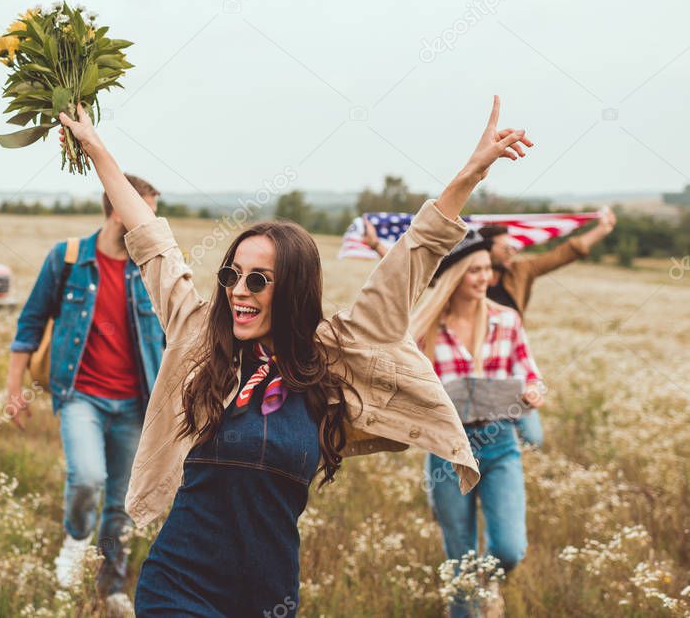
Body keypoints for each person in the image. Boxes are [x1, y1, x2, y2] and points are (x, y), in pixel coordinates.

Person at [58, 95, 531, 616]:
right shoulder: (199, 339)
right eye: (231, 275)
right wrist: (96, 147)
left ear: (293, 290)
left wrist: (471, 172)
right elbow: (150, 239)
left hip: (269, 595)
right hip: (178, 584)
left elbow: (414, 255)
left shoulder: (331, 356)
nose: (239, 290)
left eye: (258, 279)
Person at [4, 174, 166, 615]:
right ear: (118, 208)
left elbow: (176, 334)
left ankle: (111, 586)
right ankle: (75, 544)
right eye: (145, 212)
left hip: (136, 404)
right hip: (81, 397)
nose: (153, 225)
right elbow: (30, 324)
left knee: (123, 502)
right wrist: (14, 389)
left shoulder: (153, 268)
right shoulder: (68, 259)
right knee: (88, 479)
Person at [411, 232, 545, 618]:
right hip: (448, 450)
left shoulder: (507, 320)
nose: (484, 276)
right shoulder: (426, 329)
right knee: (459, 556)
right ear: (454, 275)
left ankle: (488, 582)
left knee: (509, 548)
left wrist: (533, 392)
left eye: (487, 268)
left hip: (500, 441)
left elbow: (531, 374)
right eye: (474, 270)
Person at [478, 208, 615, 447]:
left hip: (511, 368)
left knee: (532, 438)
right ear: (486, 249)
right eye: (505, 247)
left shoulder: (520, 272)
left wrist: (602, 230)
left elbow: (564, 253)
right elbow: (424, 273)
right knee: (479, 433)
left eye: (512, 246)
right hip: (476, 369)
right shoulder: (467, 277)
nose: (512, 250)